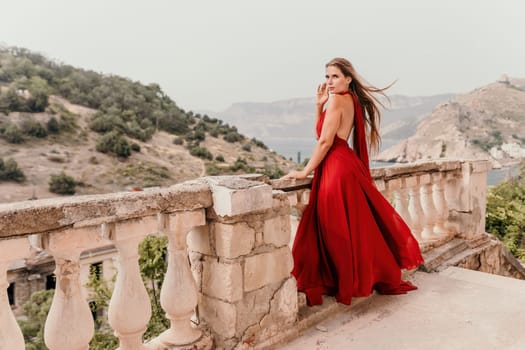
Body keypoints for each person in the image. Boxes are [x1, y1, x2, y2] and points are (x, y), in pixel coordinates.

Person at [282, 57, 424, 306]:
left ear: (348, 78)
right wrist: (318, 106)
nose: (329, 82)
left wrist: (304, 172)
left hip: (336, 168)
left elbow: (325, 141)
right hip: (345, 165)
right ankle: (351, 277)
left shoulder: (338, 99)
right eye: (327, 76)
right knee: (350, 226)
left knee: (335, 227)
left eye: (335, 76)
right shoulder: (350, 100)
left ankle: (344, 280)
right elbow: (327, 133)